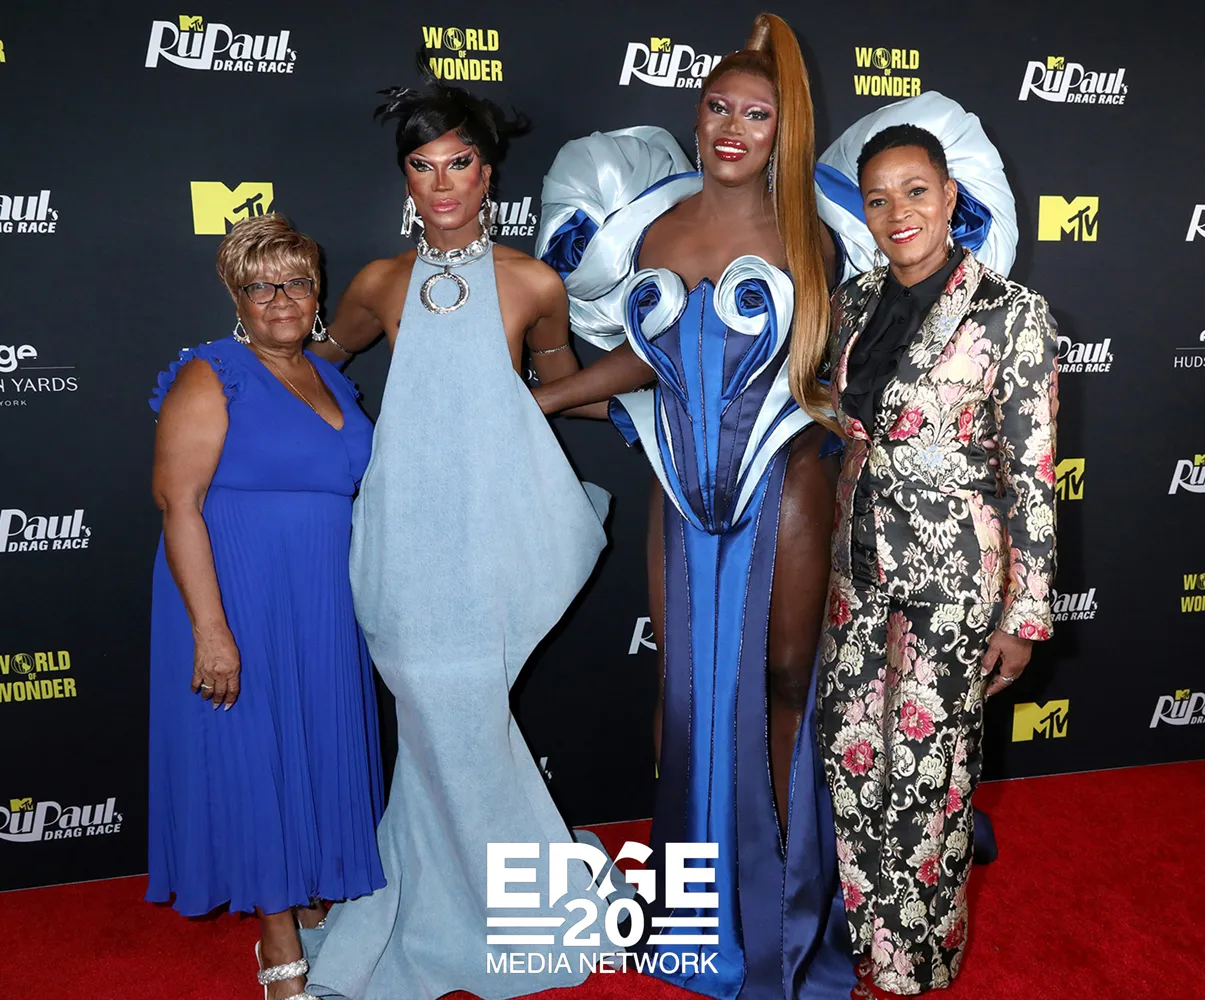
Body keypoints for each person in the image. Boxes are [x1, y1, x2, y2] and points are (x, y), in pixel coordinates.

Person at [534, 15, 856, 1000]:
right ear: (695, 114)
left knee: (784, 678)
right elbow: (648, 361)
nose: (731, 127)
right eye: (718, 106)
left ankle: (789, 904)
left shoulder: (810, 235)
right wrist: (544, 398)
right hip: (679, 493)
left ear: (782, 130)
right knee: (684, 694)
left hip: (784, 483)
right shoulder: (654, 232)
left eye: (755, 114)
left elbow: (837, 373)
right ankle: (695, 903)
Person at [302, 76, 609, 1000]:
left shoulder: (533, 283)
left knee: (463, 712)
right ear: (406, 178)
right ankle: (464, 888)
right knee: (430, 712)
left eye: (459, 163)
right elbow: (321, 364)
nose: (442, 183)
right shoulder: (378, 283)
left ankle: (487, 899)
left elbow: (562, 387)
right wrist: (258, 400)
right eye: (422, 166)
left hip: (491, 535)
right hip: (403, 538)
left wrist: (665, 388)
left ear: (487, 173)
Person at [815, 123, 1058, 995]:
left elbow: (1032, 475)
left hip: (953, 580)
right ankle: (866, 942)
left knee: (927, 777)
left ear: (950, 196)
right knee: (851, 756)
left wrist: (1023, 616)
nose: (897, 212)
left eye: (915, 191)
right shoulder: (851, 303)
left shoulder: (1009, 312)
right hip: (854, 571)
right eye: (877, 198)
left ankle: (915, 965)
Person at [147, 214, 385, 1000]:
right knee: (252, 754)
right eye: (261, 287)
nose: (281, 299)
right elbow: (178, 504)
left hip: (322, 599)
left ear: (318, 293)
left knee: (312, 743)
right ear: (237, 300)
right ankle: (276, 938)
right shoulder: (211, 374)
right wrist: (211, 632)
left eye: (296, 283)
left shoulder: (331, 378)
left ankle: (314, 894)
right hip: (238, 591)